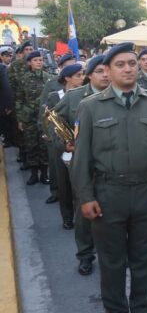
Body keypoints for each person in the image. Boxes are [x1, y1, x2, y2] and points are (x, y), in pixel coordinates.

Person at [71, 42, 147, 313]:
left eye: (132, 63)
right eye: (120, 65)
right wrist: (85, 197)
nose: (128, 69)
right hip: (108, 194)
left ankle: (142, 307)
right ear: (108, 70)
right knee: (112, 262)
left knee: (145, 261)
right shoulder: (90, 107)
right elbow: (81, 159)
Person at [54, 54, 109, 276]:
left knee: (111, 212)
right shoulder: (73, 97)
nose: (105, 75)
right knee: (84, 210)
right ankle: (85, 254)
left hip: (111, 165)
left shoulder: (119, 95)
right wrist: (63, 142)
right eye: (100, 71)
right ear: (89, 75)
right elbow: (51, 121)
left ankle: (110, 254)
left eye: (108, 70)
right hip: (83, 165)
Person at [43, 63, 85, 230]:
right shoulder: (55, 96)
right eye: (78, 75)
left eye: (83, 74)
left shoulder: (85, 95)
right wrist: (62, 143)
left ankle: (82, 217)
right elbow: (49, 120)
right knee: (64, 184)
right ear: (67, 78)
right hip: (63, 147)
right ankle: (67, 217)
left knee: (80, 185)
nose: (82, 78)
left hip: (80, 146)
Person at [15, 51, 52, 186]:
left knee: (44, 145)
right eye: (35, 60)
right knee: (31, 145)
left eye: (40, 60)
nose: (39, 62)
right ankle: (34, 174)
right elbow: (19, 99)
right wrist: (20, 119)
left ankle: (44, 174)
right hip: (29, 118)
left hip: (44, 118)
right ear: (29, 62)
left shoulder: (48, 78)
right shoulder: (23, 79)